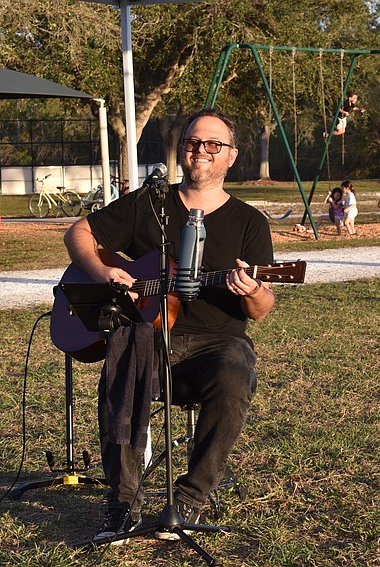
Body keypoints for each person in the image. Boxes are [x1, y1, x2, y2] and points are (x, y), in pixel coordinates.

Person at [63, 108, 276, 543]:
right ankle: (122, 505)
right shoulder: (150, 204)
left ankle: (190, 500)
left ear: (231, 156)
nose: (202, 151)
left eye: (213, 144)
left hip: (217, 343)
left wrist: (251, 290)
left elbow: (262, 308)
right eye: (194, 142)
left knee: (235, 375)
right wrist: (105, 273)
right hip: (146, 335)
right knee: (122, 362)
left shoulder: (249, 222)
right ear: (182, 151)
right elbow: (79, 233)